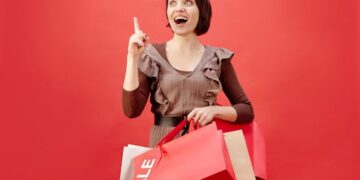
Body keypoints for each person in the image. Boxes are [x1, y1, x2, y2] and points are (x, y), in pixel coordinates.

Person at [122, 0, 254, 148]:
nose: (179, 9)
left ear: (201, 10)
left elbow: (246, 110)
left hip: (205, 147)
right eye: (173, 3)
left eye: (188, 2)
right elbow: (131, 111)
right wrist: (132, 57)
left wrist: (215, 111)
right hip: (164, 148)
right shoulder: (151, 55)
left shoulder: (217, 57)